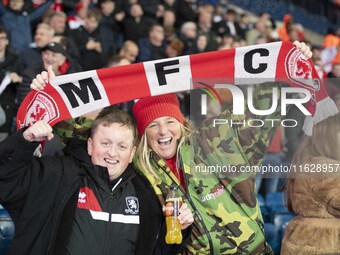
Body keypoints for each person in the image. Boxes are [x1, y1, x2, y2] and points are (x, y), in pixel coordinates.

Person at [30, 41, 313, 254]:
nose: (163, 131)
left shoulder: (219, 141)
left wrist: (289, 61)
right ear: (143, 135)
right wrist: (51, 93)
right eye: (153, 125)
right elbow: (77, 135)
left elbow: (266, 104)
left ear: (182, 123)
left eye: (169, 121)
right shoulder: (138, 168)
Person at [0, 105, 193, 254]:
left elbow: (156, 252)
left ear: (132, 152)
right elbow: (5, 179)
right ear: (90, 145)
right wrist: (24, 140)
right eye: (105, 143)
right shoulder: (59, 175)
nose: (112, 153)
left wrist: (180, 230)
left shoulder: (146, 194)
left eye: (122, 146)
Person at [281, 113, 340, 254]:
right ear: (331, 137)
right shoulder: (333, 169)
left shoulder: (303, 163)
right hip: (326, 243)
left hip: (298, 237)